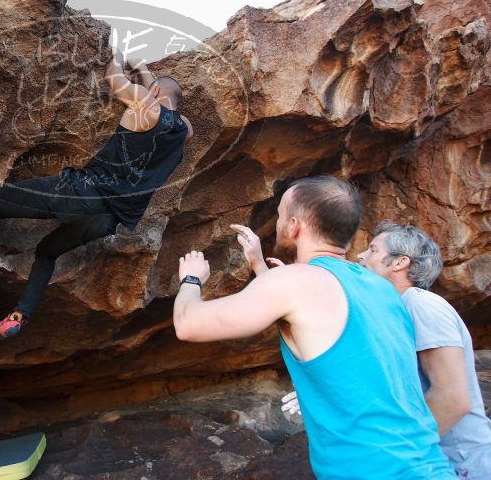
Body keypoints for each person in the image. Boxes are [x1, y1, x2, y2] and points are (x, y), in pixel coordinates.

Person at [174, 176, 454, 478]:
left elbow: (189, 324)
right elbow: (319, 320)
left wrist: (192, 279)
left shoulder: (296, 282)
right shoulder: (382, 288)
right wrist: (260, 267)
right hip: (430, 466)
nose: (279, 222)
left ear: (294, 226)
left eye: (281, 215)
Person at [0, 45, 193, 341]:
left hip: (82, 192)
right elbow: (172, 113)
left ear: (155, 94)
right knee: (47, 252)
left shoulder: (145, 106)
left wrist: (120, 57)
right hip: (107, 220)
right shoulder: (183, 131)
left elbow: (113, 77)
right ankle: (19, 315)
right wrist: (148, 73)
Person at [268, 222, 491, 479]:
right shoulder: (385, 311)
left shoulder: (421, 305)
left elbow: (453, 399)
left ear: (399, 263)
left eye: (373, 250)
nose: (361, 256)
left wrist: (404, 455)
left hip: (459, 464)